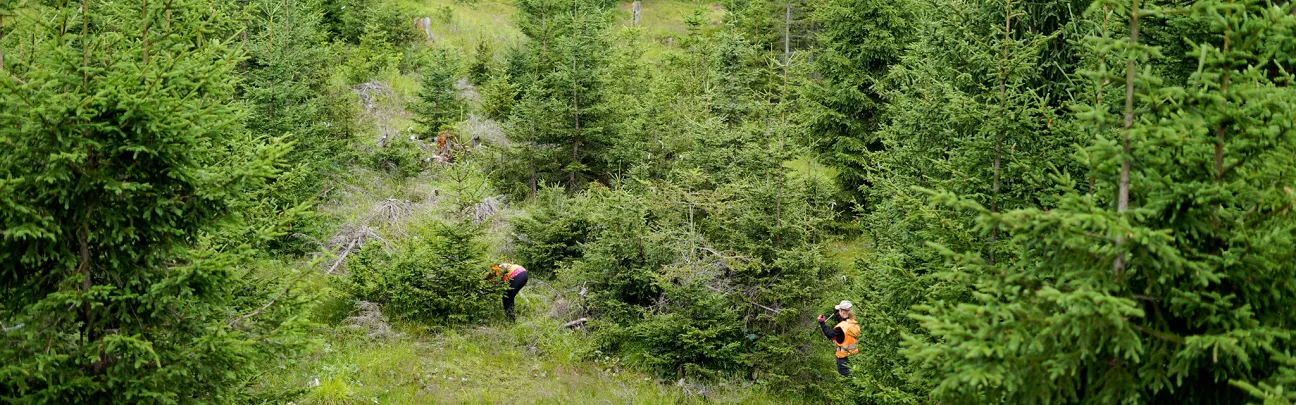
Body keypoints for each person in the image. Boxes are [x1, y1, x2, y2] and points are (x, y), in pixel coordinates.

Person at [818, 300, 861, 377]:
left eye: (839, 310)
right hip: (854, 356)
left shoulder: (841, 327)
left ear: (843, 312)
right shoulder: (854, 323)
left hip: (843, 358)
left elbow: (829, 334)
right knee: (855, 378)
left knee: (846, 380)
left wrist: (822, 323)